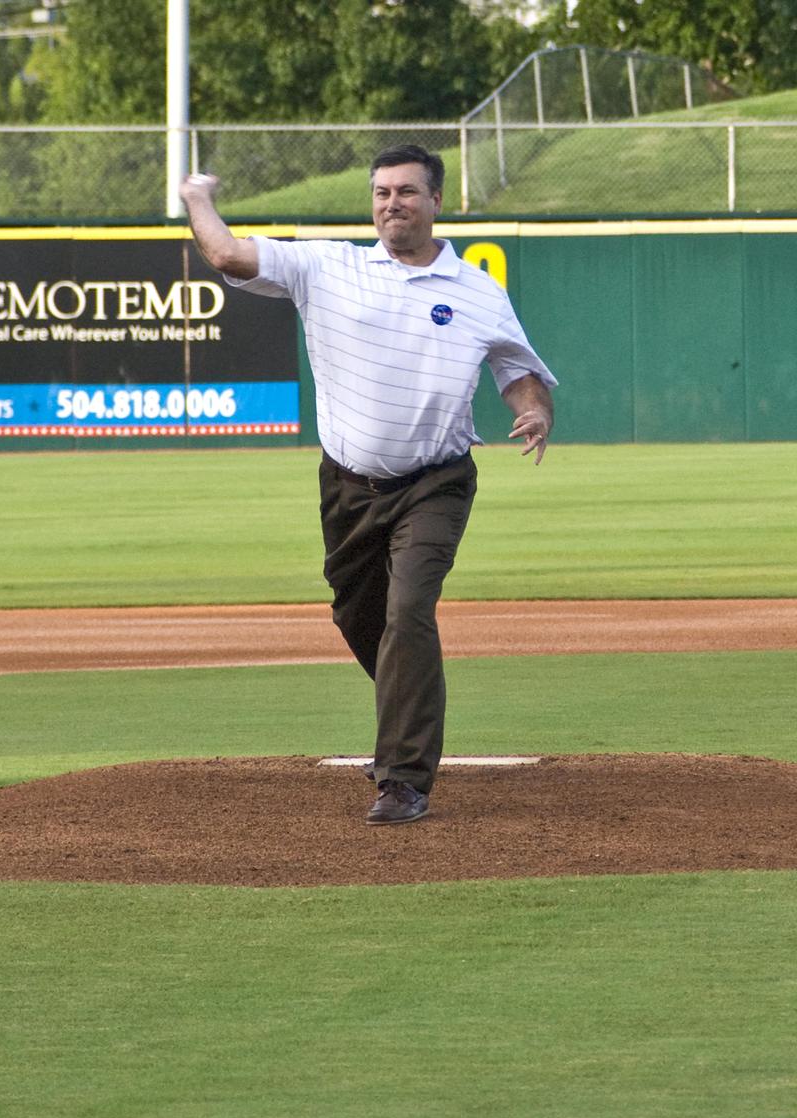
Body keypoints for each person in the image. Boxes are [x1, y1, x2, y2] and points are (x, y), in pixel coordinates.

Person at [179, 143, 556, 826]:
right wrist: (197, 200)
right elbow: (228, 256)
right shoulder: (329, 266)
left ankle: (403, 781)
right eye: (382, 193)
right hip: (348, 487)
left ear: (437, 201)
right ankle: (410, 706)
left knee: (409, 611)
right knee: (360, 617)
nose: (393, 204)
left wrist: (532, 408)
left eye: (408, 192)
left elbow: (517, 372)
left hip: (435, 482)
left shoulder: (477, 291)